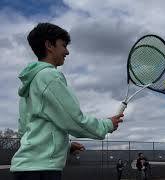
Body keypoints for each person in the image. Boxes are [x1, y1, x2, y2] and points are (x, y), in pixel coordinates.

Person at [10, 22, 124, 180]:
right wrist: (106, 125)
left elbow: (26, 129)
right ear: (49, 45)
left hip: (27, 168)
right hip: (42, 171)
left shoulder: (31, 82)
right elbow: (73, 119)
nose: (67, 51)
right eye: (63, 45)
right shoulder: (49, 76)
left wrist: (66, 146)